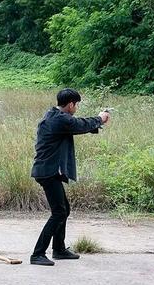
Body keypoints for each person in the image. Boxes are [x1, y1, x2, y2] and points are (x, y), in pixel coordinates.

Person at [30, 88, 111, 266]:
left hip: (48, 170)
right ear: (71, 104)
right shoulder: (60, 119)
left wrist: (96, 124)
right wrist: (100, 118)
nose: (77, 108)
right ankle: (37, 254)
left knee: (64, 209)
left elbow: (75, 126)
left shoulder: (53, 115)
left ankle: (59, 249)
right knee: (59, 212)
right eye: (77, 105)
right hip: (48, 172)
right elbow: (79, 124)